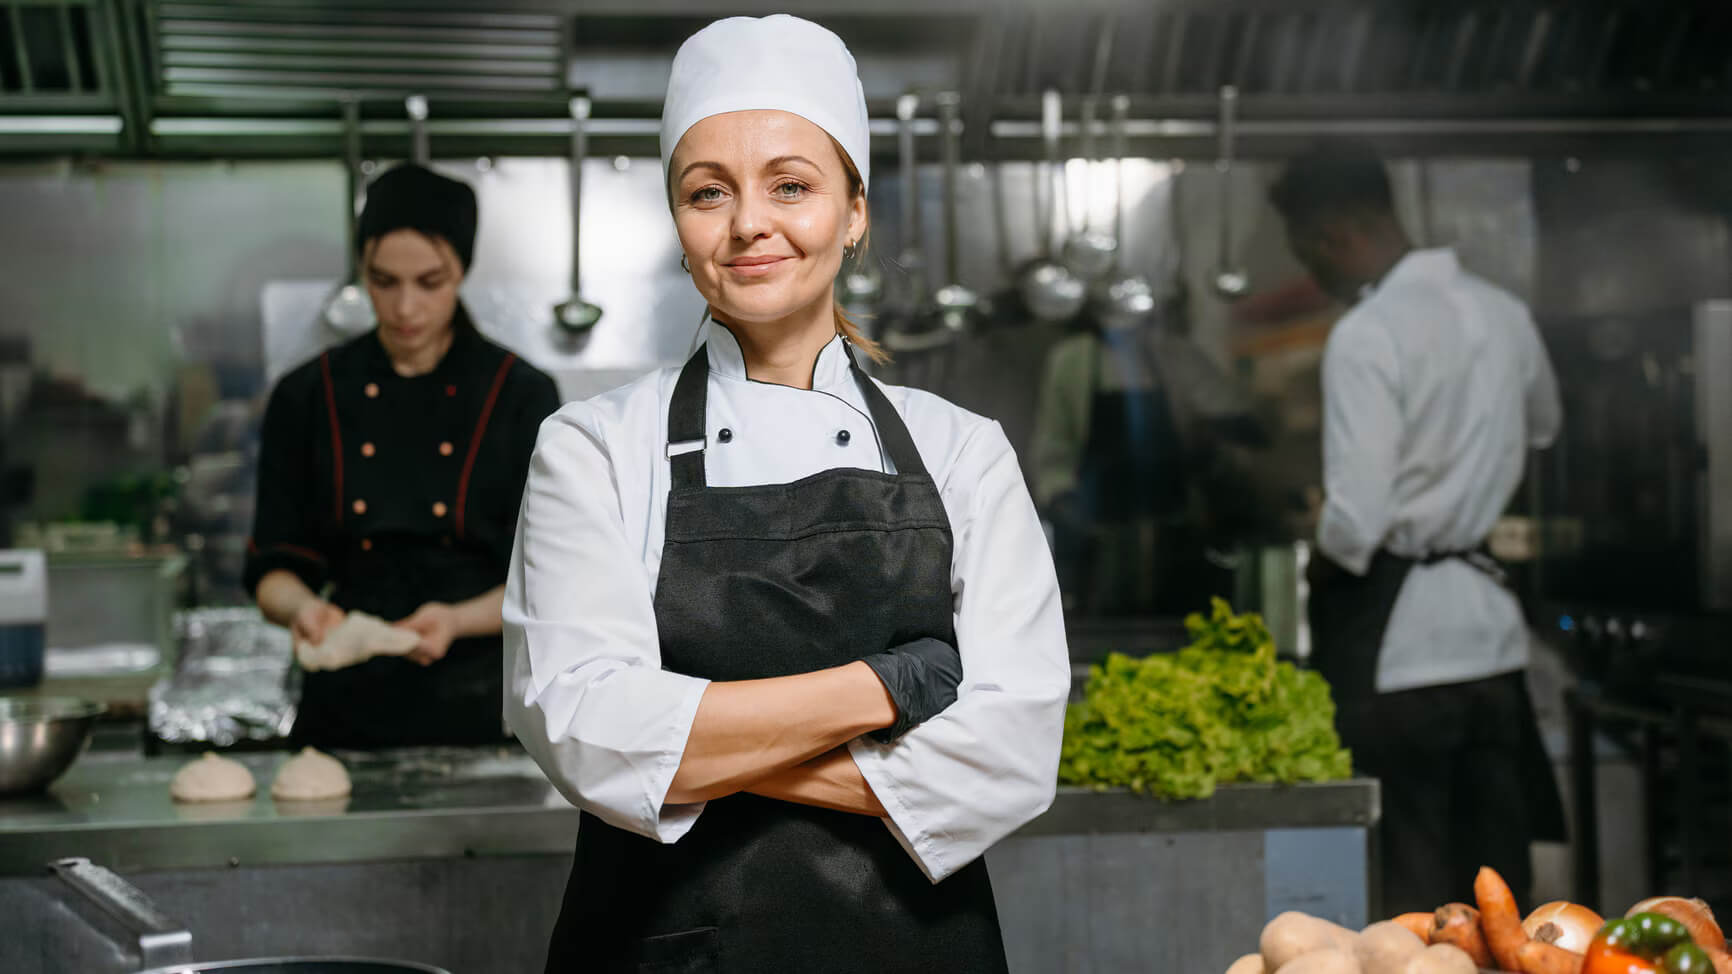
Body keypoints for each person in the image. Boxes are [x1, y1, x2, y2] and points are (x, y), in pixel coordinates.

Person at [504, 16, 1070, 973]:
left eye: (792, 186)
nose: (748, 224)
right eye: (707, 192)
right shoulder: (591, 449)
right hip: (660, 947)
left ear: (854, 211)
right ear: (678, 222)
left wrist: (694, 739)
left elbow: (1009, 754)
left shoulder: (962, 451)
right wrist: (887, 684)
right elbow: (585, 730)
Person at [1268, 140, 1566, 913]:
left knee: (1415, 899)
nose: (1317, 273)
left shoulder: (1368, 333)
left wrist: (1320, 560)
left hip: (1401, 660)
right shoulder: (1505, 313)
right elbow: (1543, 428)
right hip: (1494, 643)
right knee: (1503, 893)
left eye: (1310, 252)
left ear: (1335, 233)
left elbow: (1358, 521)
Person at [246, 163, 561, 748]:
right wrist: (304, 611)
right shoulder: (306, 395)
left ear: (462, 271)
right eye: (384, 281)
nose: (406, 307)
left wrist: (455, 620)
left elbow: (548, 577)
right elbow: (272, 569)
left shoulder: (520, 394)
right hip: (342, 697)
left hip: (480, 698)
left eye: (430, 282)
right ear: (363, 272)